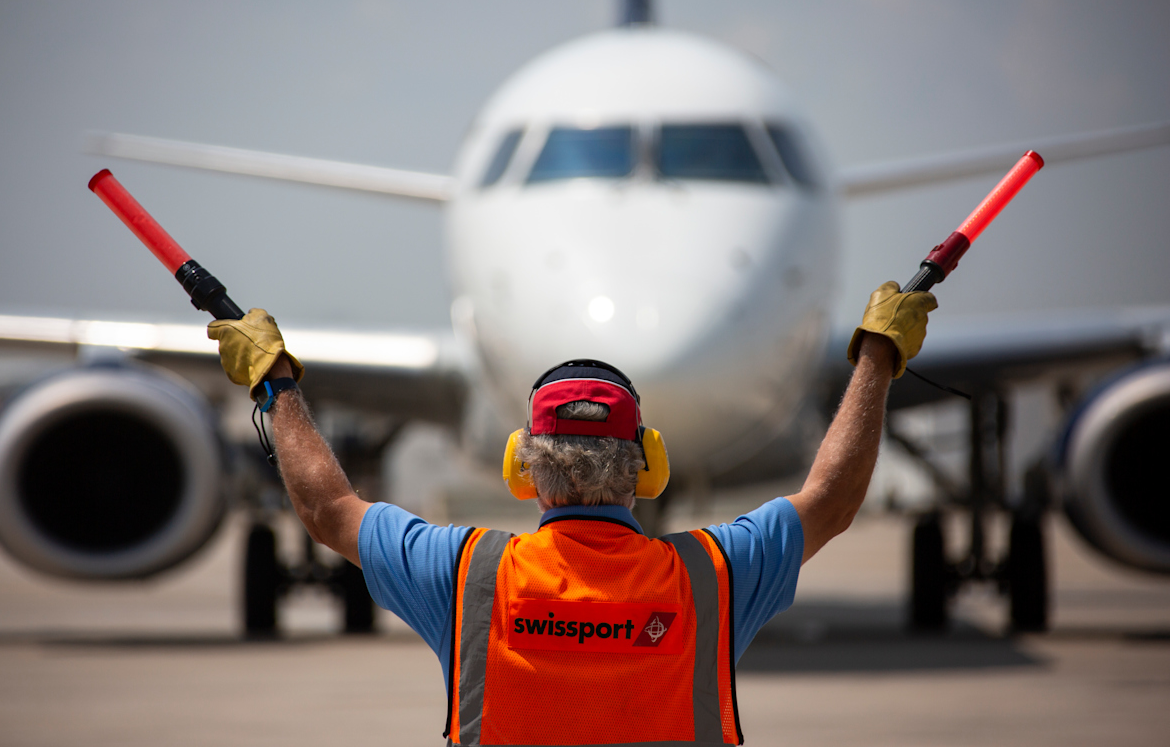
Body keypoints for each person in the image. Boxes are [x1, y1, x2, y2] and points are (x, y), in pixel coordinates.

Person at [208, 280, 936, 746]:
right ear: (647, 465)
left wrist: (276, 385)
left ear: (521, 467)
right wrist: (876, 358)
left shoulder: (466, 576)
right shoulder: (712, 577)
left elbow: (330, 507)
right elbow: (833, 501)